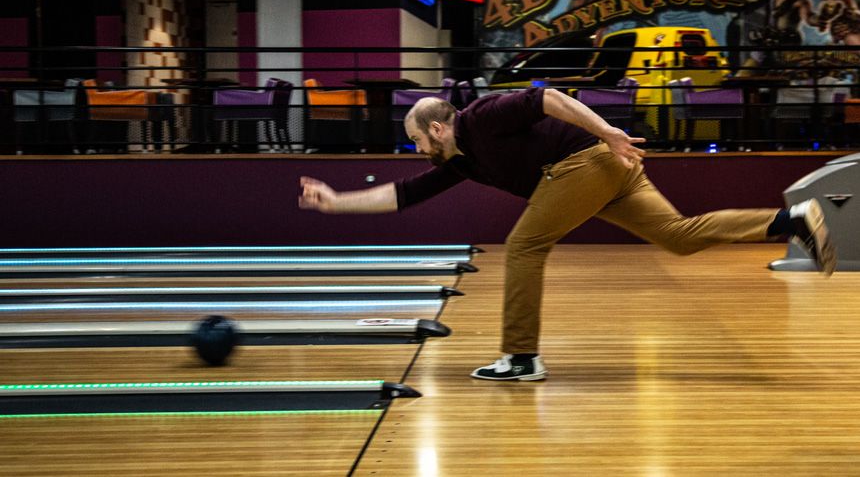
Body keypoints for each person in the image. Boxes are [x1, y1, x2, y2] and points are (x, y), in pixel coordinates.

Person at [298, 86, 836, 381]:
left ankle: (522, 357)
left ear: (437, 127)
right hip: (604, 170)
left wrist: (607, 132)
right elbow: (404, 194)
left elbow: (547, 96)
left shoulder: (481, 118)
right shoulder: (462, 161)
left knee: (525, 245)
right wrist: (336, 201)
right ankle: (791, 220)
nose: (416, 149)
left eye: (417, 140)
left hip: (589, 159)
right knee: (677, 235)